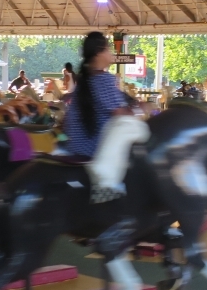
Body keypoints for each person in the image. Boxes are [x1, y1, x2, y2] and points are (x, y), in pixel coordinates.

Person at [63, 32, 150, 202]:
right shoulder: (103, 79)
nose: (111, 54)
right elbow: (120, 113)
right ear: (98, 53)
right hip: (93, 145)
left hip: (75, 143)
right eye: (108, 49)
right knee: (130, 127)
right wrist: (143, 109)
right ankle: (107, 183)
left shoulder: (87, 80)